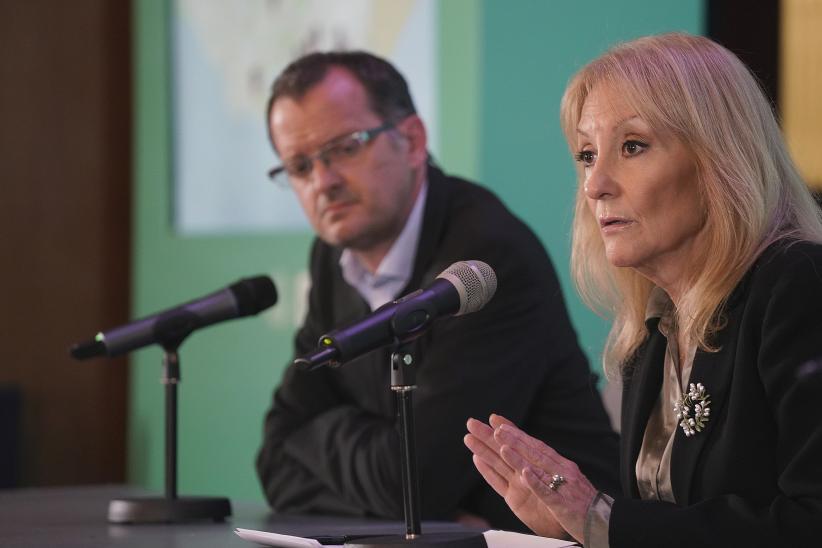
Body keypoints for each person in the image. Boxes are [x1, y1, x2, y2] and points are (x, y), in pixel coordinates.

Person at [465, 32, 822, 546]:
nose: (595, 184)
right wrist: (575, 525)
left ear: (719, 159)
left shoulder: (799, 285)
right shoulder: (650, 330)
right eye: (587, 155)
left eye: (632, 146)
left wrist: (601, 519)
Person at [256, 51, 620, 530]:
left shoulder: (486, 257)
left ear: (411, 140)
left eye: (344, 148)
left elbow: (414, 481)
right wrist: (431, 508)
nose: (323, 182)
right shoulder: (331, 259)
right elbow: (276, 462)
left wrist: (322, 432)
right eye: (300, 166)